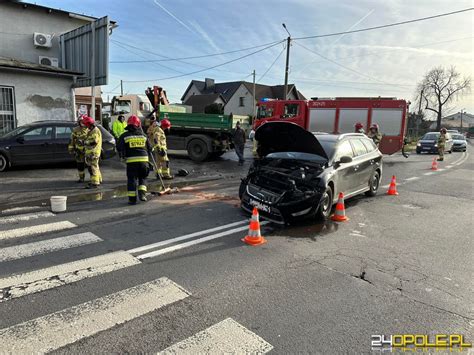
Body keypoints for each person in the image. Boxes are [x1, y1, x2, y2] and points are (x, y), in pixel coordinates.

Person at [117, 115, 152, 205]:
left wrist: (123, 155)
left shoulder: (124, 136)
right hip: (144, 161)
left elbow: (119, 147)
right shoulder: (143, 136)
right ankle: (142, 195)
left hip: (132, 162)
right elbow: (150, 148)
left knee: (132, 179)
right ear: (138, 125)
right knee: (143, 177)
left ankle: (132, 200)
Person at [82, 116, 102, 188]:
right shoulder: (91, 130)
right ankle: (99, 179)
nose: (85, 125)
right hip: (91, 152)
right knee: (95, 167)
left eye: (86, 124)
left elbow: (94, 141)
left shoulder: (95, 131)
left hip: (93, 153)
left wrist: (85, 142)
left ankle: (95, 183)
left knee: (93, 168)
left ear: (89, 124)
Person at [68, 117, 88, 182]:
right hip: (79, 151)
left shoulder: (89, 129)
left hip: (88, 151)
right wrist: (71, 149)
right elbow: (72, 140)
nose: (82, 123)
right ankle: (81, 178)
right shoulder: (75, 129)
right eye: (81, 121)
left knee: (91, 166)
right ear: (78, 122)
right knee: (80, 165)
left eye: (83, 121)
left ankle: (95, 179)